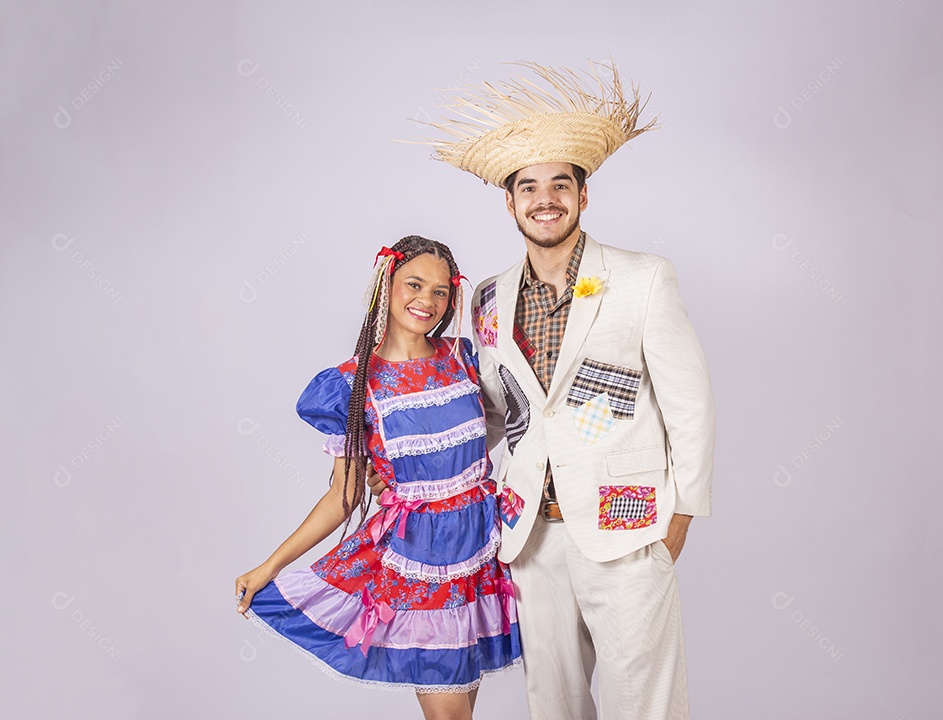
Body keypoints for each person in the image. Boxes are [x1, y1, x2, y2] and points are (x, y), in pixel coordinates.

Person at [416, 61, 717, 720]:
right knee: (551, 705)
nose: (544, 199)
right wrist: (419, 466)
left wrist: (680, 517)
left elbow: (690, 404)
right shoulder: (488, 298)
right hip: (529, 535)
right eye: (528, 187)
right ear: (510, 202)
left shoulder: (641, 278)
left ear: (583, 196)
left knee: (645, 705)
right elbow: (492, 413)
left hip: (628, 528)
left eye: (560, 184)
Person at [235, 235, 521, 720]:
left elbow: (510, 425)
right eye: (415, 284)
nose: (427, 300)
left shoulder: (464, 357)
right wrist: (270, 565)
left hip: (485, 549)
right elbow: (343, 496)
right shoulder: (353, 385)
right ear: (386, 284)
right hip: (422, 562)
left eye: (441, 291)